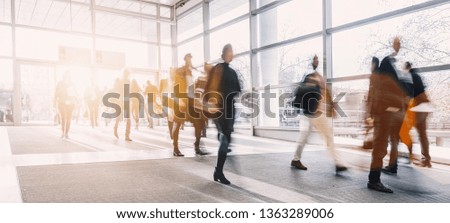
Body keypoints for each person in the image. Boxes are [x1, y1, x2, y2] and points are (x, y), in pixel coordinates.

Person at [367, 37, 410, 193]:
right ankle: (374, 181)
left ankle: (374, 179)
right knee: (380, 148)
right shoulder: (382, 76)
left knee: (381, 147)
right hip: (383, 116)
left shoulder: (377, 78)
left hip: (382, 116)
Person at [290, 55, 348, 173]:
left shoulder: (320, 77)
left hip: (318, 113)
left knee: (325, 136)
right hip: (312, 112)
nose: (317, 61)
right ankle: (296, 160)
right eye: (315, 59)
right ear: (312, 62)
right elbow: (303, 91)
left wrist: (333, 107)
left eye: (318, 59)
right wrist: (313, 85)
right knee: (307, 137)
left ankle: (337, 162)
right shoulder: (310, 77)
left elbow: (326, 93)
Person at [204, 44, 241, 185]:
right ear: (224, 54)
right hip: (219, 109)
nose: (231, 54)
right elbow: (208, 88)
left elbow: (237, 91)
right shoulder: (217, 69)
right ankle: (219, 172)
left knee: (226, 140)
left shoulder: (233, 72)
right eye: (229, 52)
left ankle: (218, 171)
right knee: (225, 140)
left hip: (229, 110)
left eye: (232, 52)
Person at [171, 53, 209, 156]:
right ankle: (175, 148)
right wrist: (180, 100)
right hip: (181, 99)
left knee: (199, 122)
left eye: (191, 59)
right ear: (185, 60)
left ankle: (197, 146)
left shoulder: (191, 72)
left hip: (191, 100)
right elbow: (177, 85)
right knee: (177, 123)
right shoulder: (180, 71)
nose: (190, 61)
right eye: (188, 59)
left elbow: (191, 87)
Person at [398, 62, 432, 167]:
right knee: (422, 134)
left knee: (403, 131)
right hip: (424, 105)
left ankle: (410, 156)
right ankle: (426, 160)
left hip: (416, 106)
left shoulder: (408, 76)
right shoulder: (417, 76)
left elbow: (407, 95)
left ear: (405, 68)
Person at [54, 71, 77, 139]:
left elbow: (75, 92)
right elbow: (56, 93)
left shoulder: (72, 84)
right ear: (64, 76)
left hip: (70, 103)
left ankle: (66, 133)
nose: (67, 77)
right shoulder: (60, 83)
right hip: (61, 102)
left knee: (68, 118)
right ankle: (62, 132)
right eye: (66, 75)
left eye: (68, 76)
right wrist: (54, 101)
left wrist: (76, 99)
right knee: (63, 117)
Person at [113, 68, 132, 142]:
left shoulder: (128, 81)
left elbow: (129, 90)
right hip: (120, 100)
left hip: (127, 100)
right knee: (118, 117)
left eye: (127, 74)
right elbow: (115, 89)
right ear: (123, 73)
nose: (126, 75)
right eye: (125, 73)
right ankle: (115, 129)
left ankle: (127, 135)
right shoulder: (118, 80)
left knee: (128, 118)